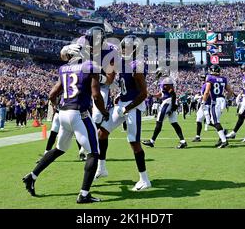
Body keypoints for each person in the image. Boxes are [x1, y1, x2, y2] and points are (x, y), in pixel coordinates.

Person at [22, 44, 110, 203]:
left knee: (59, 149)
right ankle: (84, 194)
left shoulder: (64, 69)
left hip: (63, 114)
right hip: (79, 114)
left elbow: (52, 94)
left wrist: (58, 108)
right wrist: (104, 112)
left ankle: (32, 176)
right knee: (94, 153)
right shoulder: (89, 66)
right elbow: (96, 96)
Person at [95, 36, 152, 191]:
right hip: (122, 104)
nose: (122, 49)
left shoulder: (136, 66)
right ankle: (102, 168)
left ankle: (144, 179)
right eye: (122, 46)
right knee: (102, 132)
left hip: (133, 106)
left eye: (126, 47)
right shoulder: (124, 63)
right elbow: (126, 85)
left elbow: (143, 94)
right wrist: (121, 95)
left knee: (134, 142)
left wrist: (127, 108)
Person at [142, 67, 187, 150]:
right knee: (174, 123)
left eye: (158, 73)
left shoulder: (167, 81)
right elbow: (162, 93)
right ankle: (183, 141)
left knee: (159, 121)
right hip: (170, 101)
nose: (157, 74)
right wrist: (153, 95)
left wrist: (173, 106)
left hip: (168, 102)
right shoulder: (165, 81)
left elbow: (173, 93)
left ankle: (152, 141)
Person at [201, 65, 235, 149]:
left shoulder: (210, 78)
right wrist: (227, 99)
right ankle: (222, 136)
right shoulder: (223, 79)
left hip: (215, 101)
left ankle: (224, 141)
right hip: (222, 100)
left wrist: (203, 102)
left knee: (215, 121)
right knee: (213, 121)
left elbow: (206, 92)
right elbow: (230, 91)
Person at [193, 74, 210, 142]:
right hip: (203, 105)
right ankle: (198, 137)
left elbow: (207, 94)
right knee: (198, 120)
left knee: (210, 121)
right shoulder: (205, 85)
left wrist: (199, 97)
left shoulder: (207, 85)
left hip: (207, 104)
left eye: (203, 78)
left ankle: (222, 131)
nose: (202, 80)